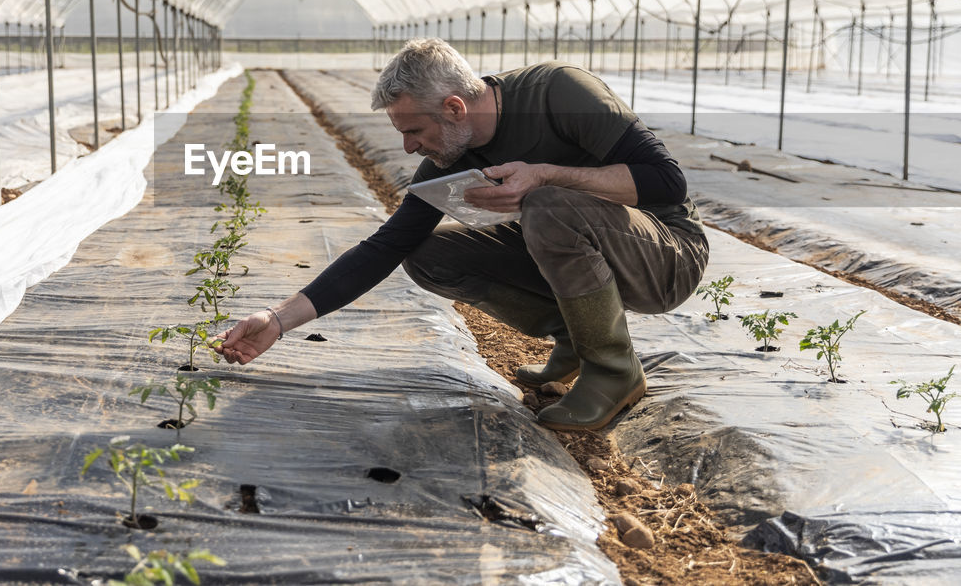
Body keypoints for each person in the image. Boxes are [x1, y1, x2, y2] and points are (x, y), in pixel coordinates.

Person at [220, 38, 708, 431]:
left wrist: (544, 174)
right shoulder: (449, 156)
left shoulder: (558, 92)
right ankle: (577, 337)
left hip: (666, 252)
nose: (410, 148)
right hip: (585, 246)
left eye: (414, 130)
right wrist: (278, 319)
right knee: (427, 252)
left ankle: (613, 369)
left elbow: (666, 181)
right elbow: (386, 245)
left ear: (454, 107)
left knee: (547, 201)